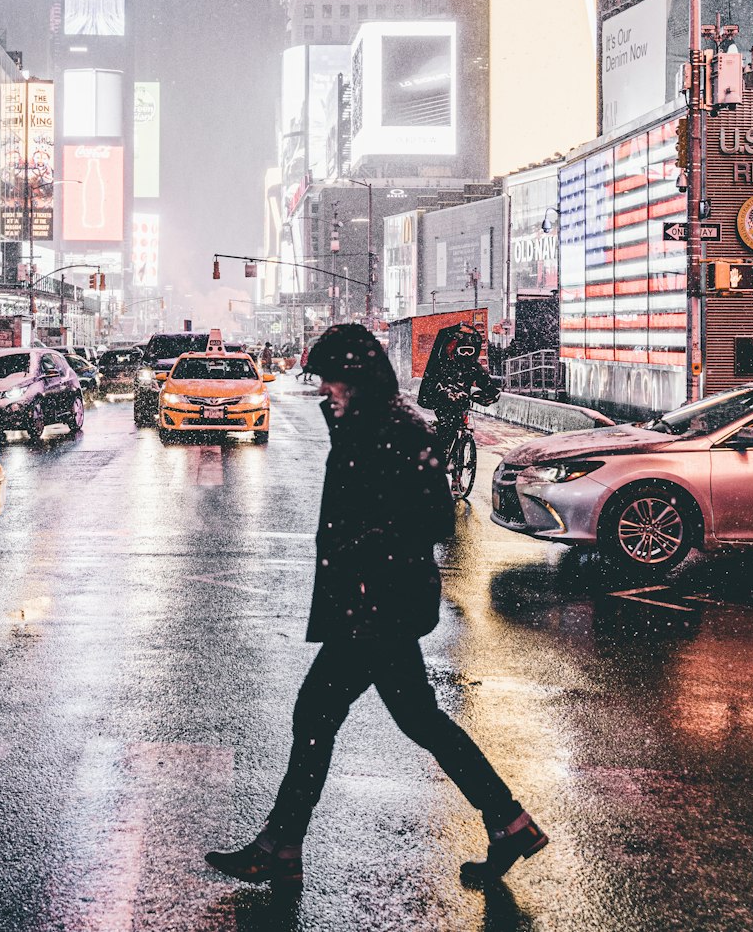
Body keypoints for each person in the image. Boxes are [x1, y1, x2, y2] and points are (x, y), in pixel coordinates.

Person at [205, 323, 547, 892]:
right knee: (413, 719)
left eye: (331, 381)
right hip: (377, 604)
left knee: (318, 714)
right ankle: (508, 821)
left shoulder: (389, 428)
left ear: (355, 378)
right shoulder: (370, 424)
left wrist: (368, 566)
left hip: (375, 608)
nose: (323, 391)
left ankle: (281, 847)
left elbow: (431, 517)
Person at [418, 323, 499, 451]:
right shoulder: (443, 365)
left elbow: (485, 382)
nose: (466, 355)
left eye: (469, 351)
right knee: (447, 428)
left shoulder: (474, 367)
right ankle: (441, 456)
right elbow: (435, 384)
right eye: (463, 351)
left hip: (463, 404)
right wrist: (446, 393)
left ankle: (455, 457)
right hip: (443, 404)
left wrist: (491, 393)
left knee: (458, 424)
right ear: (456, 350)